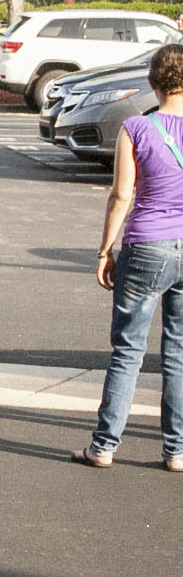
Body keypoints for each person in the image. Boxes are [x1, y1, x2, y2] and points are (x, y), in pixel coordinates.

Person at [77, 44, 183, 470]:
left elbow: (122, 195)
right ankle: (176, 450)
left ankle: (104, 446)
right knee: (177, 352)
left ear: (151, 82)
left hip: (146, 247)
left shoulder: (136, 128)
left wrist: (105, 250)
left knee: (128, 350)